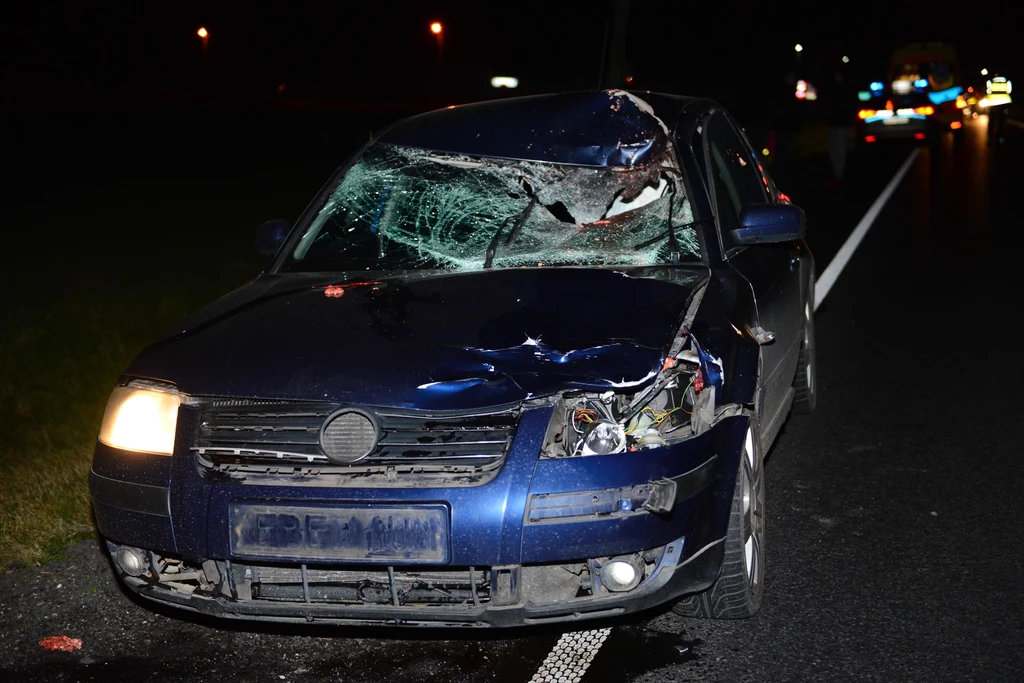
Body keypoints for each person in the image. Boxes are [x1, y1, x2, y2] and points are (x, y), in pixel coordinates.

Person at [818, 46, 856, 186]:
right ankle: (836, 172)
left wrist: (850, 123)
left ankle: (839, 173)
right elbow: (827, 105)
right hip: (834, 123)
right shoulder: (832, 90)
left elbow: (849, 106)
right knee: (833, 148)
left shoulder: (846, 90)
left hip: (842, 124)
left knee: (840, 148)